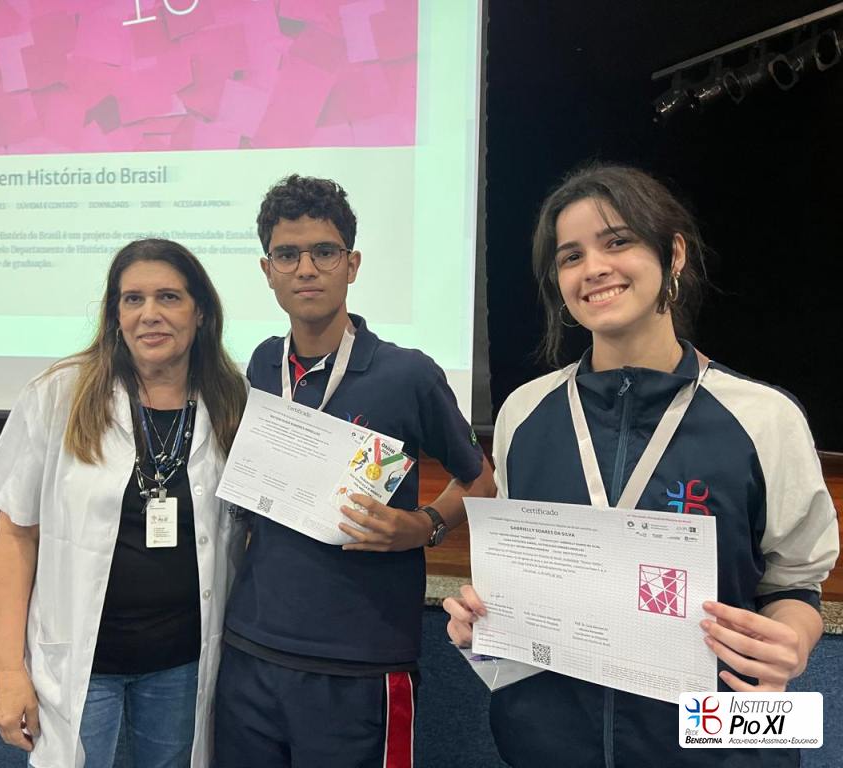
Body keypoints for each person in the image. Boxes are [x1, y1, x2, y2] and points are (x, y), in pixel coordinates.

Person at [443, 164, 839, 767]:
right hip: (549, 744)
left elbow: (794, 583)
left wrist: (794, 640)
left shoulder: (764, 417)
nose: (593, 268)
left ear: (673, 253)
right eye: (571, 256)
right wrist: (486, 620)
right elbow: (523, 576)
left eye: (617, 241)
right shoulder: (526, 412)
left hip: (716, 742)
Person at [212, 174, 497, 768]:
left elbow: (481, 479)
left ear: (352, 264)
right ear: (267, 271)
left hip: (360, 661)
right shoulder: (262, 364)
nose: (306, 269)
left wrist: (422, 526)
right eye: (287, 255)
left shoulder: (408, 374)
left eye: (325, 251)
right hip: (251, 649)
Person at [0, 239, 248, 768]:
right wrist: (8, 671)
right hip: (81, 662)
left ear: (200, 312)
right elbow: (15, 535)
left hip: (181, 664)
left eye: (169, 297)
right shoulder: (59, 394)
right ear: (115, 315)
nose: (150, 314)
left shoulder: (231, 401)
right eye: (133, 299)